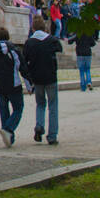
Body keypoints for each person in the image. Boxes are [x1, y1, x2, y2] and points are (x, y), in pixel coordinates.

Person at [0, 27, 30, 147]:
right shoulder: (14, 50)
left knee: (4, 112)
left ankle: (8, 138)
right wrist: (29, 85)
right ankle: (8, 130)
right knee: (18, 109)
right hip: (14, 85)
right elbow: (23, 68)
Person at [23, 16, 63, 145]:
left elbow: (25, 61)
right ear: (44, 27)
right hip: (50, 76)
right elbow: (59, 48)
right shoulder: (51, 40)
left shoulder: (29, 42)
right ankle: (52, 135)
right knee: (53, 105)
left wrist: (29, 80)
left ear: (33, 28)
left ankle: (39, 125)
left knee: (40, 104)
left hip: (36, 77)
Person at [74, 23, 98, 91]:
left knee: (81, 70)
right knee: (87, 69)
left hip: (79, 53)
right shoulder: (89, 34)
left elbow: (70, 41)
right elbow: (93, 43)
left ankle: (83, 86)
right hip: (87, 53)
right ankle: (89, 82)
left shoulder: (77, 34)